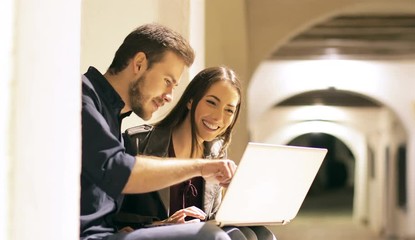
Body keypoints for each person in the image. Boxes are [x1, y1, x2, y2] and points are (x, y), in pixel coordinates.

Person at [81, 23, 237, 240]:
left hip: (110, 234)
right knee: (211, 236)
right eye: (167, 82)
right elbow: (118, 170)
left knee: (248, 234)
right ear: (139, 64)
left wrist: (159, 226)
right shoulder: (83, 99)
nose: (170, 96)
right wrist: (201, 167)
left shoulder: (112, 115)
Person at [114, 66, 276, 240]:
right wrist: (165, 225)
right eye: (211, 102)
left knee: (261, 235)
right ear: (191, 100)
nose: (218, 118)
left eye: (229, 110)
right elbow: (111, 218)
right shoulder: (137, 143)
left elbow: (214, 220)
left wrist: (237, 195)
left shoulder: (216, 153)